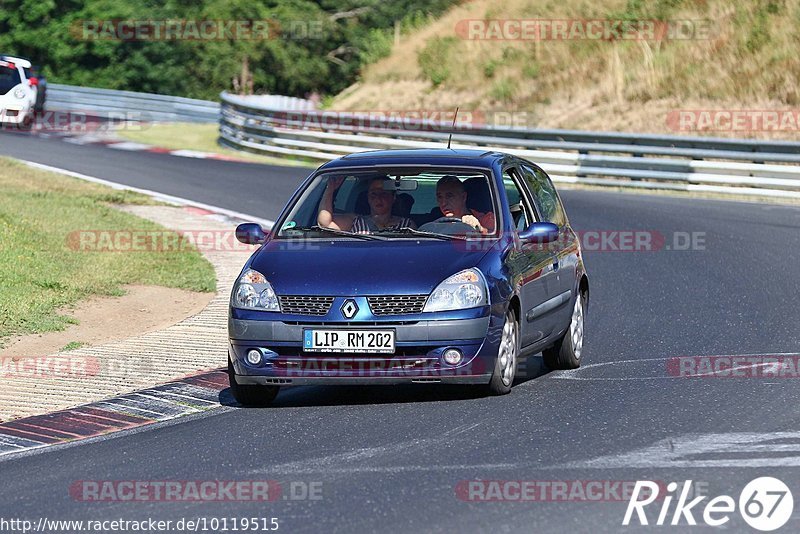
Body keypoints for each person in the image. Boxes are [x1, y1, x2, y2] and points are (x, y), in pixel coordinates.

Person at [317, 176, 416, 234]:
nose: (378, 198)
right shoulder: (355, 221)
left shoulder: (407, 225)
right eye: (373, 193)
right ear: (367, 197)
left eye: (384, 193)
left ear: (393, 197)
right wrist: (330, 190)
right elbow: (325, 224)